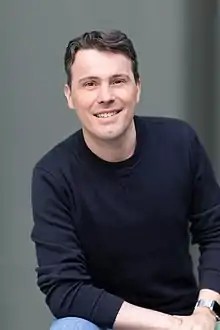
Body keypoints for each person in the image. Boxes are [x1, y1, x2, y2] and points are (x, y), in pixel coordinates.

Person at [31, 30, 220, 330]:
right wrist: (171, 326)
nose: (105, 96)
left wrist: (207, 311)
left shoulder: (180, 143)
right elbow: (64, 288)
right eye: (90, 84)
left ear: (137, 88)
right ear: (69, 95)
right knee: (69, 328)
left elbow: (215, 233)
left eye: (118, 81)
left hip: (188, 314)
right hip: (109, 322)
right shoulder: (53, 175)